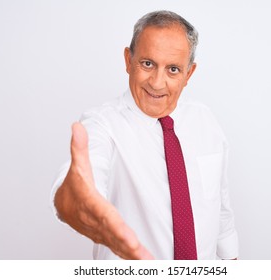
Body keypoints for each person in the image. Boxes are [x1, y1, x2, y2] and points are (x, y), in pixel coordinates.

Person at [52, 10, 238, 260]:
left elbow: (221, 210)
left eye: (173, 69)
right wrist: (77, 199)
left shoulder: (205, 120)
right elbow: (78, 191)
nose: (157, 82)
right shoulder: (101, 125)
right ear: (129, 60)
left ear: (188, 74)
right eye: (147, 64)